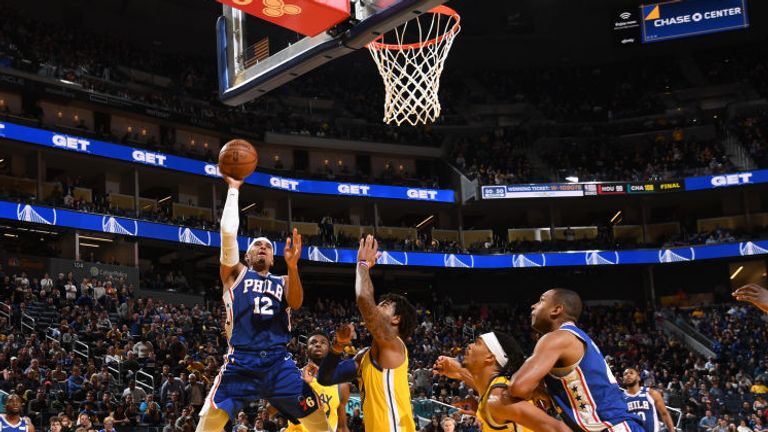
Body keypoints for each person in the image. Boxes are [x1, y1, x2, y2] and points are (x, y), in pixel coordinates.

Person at [196, 174, 331, 432]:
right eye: (257, 245)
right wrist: (233, 189)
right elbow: (227, 233)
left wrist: (293, 267)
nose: (262, 248)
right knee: (208, 422)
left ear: (272, 259)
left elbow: (296, 302)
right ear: (246, 256)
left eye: (267, 247)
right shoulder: (235, 274)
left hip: (278, 363)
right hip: (241, 361)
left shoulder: (283, 280)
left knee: (317, 418)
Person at [317, 235, 419, 432]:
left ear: (396, 319)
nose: (377, 307)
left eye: (385, 305)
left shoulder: (394, 345)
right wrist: (338, 346)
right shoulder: (364, 356)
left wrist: (362, 265)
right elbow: (325, 379)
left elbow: (364, 299)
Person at [506, 288, 643, 432]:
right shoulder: (575, 336)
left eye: (541, 301)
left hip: (612, 427)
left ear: (556, 310)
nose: (533, 306)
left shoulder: (558, 338)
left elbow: (518, 387)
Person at [433, 331, 571, 432]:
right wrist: (459, 372)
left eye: (477, 343)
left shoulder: (498, 398)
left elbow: (558, 429)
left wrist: (459, 372)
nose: (469, 345)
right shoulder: (493, 390)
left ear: (490, 358)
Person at [285, 331, 350, 432]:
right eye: (313, 342)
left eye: (323, 342)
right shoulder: (293, 376)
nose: (318, 344)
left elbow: (342, 427)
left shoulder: (341, 385)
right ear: (306, 350)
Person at [621, 368, 676, 432]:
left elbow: (664, 414)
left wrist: (672, 430)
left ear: (638, 378)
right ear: (623, 380)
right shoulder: (620, 399)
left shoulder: (651, 393)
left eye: (631, 373)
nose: (628, 375)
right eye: (625, 374)